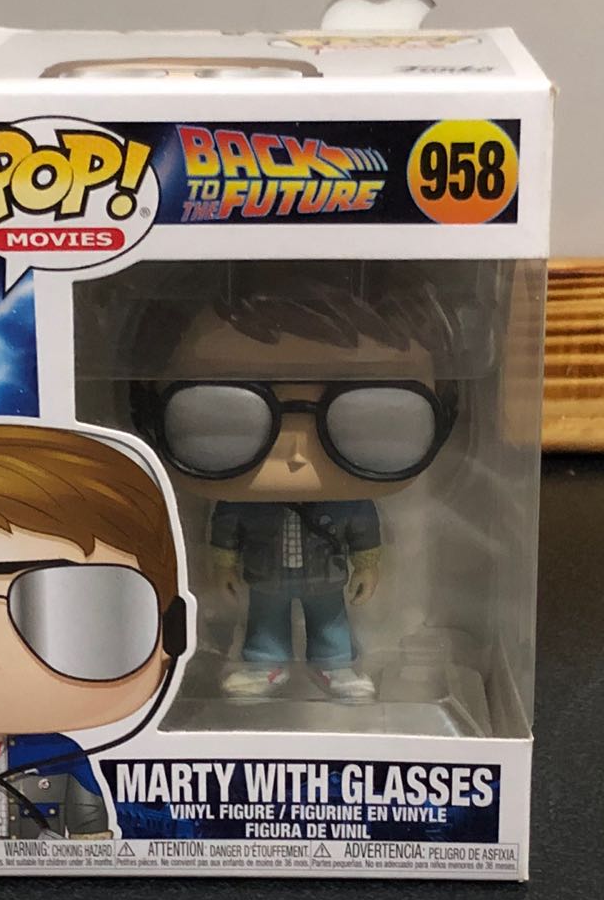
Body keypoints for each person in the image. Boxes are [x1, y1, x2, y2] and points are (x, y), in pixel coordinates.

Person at [129, 265, 460, 702]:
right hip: (265, 578)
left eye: (373, 418)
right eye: (222, 416)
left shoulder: (349, 505)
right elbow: (226, 533)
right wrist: (223, 567)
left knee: (331, 624)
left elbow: (363, 534)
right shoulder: (240, 506)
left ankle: (335, 665)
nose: (297, 453)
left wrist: (367, 567)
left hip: (326, 578)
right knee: (265, 625)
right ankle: (264, 663)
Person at [0, 422, 185, 839]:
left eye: (74, 608)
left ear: (172, 630)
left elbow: (91, 826)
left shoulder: (64, 754)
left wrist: (91, 849)